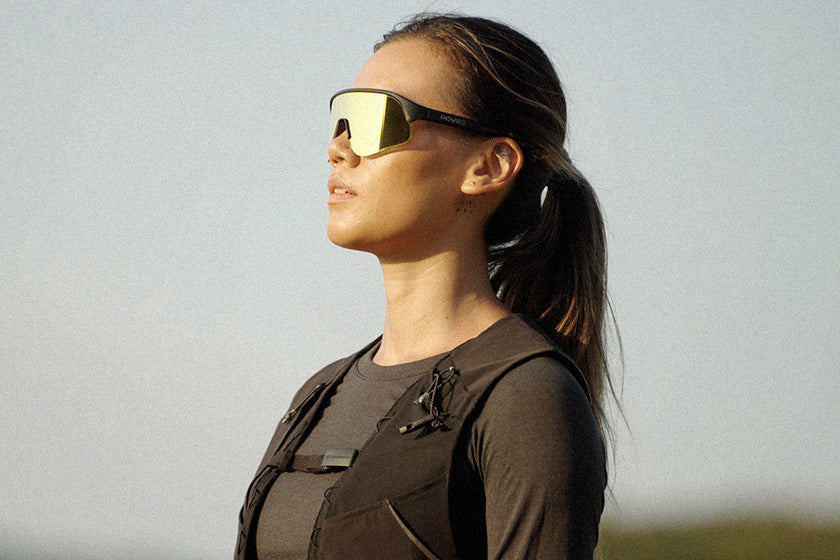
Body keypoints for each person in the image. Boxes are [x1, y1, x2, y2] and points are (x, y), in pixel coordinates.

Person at [236, 13, 617, 560]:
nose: (339, 148)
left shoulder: (526, 398)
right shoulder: (319, 395)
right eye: (341, 119)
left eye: (375, 119)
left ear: (489, 165)